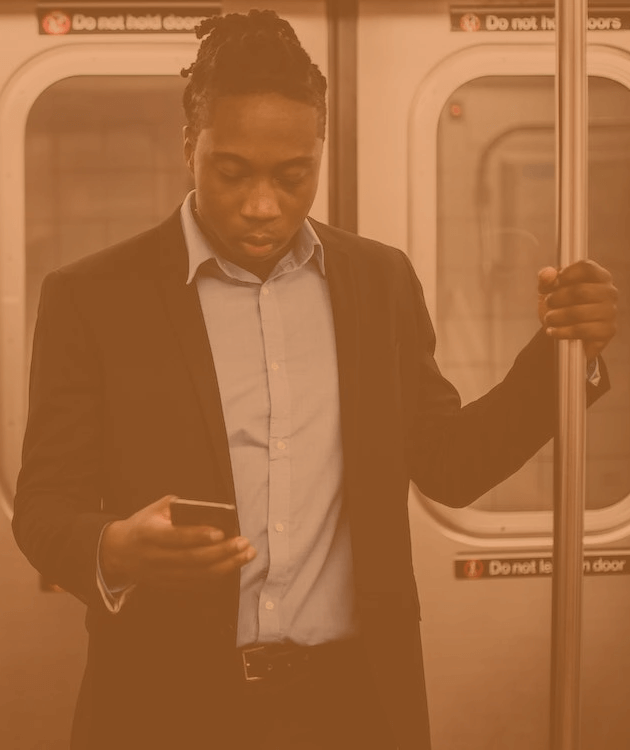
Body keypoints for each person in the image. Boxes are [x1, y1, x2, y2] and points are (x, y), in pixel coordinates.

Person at [12, 9, 617, 750]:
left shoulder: (378, 280)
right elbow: (42, 507)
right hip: (167, 703)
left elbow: (450, 464)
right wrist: (111, 548)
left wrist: (564, 353)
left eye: (293, 175)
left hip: (351, 706)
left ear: (320, 154)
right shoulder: (95, 297)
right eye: (232, 172)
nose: (263, 205)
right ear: (187, 147)